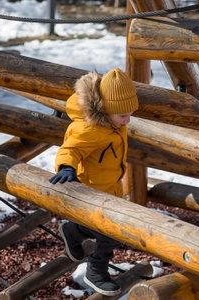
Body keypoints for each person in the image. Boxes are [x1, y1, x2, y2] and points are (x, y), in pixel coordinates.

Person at [49, 68, 138, 296]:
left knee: (110, 231)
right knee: (112, 233)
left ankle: (74, 231)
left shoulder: (114, 124)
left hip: (110, 189)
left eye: (130, 114)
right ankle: (96, 272)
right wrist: (67, 167)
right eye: (123, 116)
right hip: (89, 194)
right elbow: (70, 149)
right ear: (105, 110)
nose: (128, 120)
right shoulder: (89, 128)